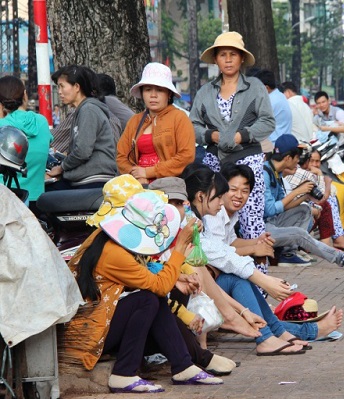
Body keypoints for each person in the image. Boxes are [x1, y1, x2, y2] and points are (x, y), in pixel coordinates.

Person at [63, 191, 223, 393]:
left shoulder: (107, 239)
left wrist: (178, 277)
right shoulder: (114, 253)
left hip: (101, 323)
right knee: (147, 300)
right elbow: (160, 286)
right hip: (91, 334)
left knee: (151, 300)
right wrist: (180, 248)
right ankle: (124, 373)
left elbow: (150, 277)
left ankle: (183, 366)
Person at [182, 165, 328, 355]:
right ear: (201, 196)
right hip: (191, 292)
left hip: (206, 288)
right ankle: (274, 336)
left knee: (242, 285)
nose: (225, 199)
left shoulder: (200, 217)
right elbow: (220, 254)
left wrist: (256, 253)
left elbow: (224, 250)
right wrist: (262, 278)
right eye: (221, 194)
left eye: (245, 190)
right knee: (238, 280)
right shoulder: (194, 220)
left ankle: (275, 334)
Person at [190, 31, 275, 264]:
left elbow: (267, 121)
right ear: (216, 59)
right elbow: (193, 125)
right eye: (223, 55)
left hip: (248, 158)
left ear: (241, 59)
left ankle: (261, 282)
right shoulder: (205, 91)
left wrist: (241, 136)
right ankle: (219, 272)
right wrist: (212, 135)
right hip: (215, 159)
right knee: (213, 216)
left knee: (251, 219)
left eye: (233, 55)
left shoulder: (255, 87)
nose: (228, 59)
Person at [116, 62, 195, 185]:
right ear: (142, 93)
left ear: (168, 94)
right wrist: (136, 175)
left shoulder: (179, 118)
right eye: (148, 90)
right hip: (137, 185)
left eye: (159, 90)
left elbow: (186, 156)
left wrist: (149, 172)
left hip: (170, 185)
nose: (153, 95)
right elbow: (121, 156)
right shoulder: (134, 121)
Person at [46, 65, 117, 190]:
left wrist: (61, 167)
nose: (60, 92)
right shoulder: (82, 110)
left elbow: (82, 152)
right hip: (85, 176)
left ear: (77, 87)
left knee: (44, 196)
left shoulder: (89, 110)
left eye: (62, 86)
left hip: (93, 178)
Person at [263, 135, 317, 267]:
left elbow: (283, 204)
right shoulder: (265, 173)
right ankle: (339, 257)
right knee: (299, 231)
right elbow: (270, 210)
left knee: (304, 210)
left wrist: (305, 196)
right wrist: (296, 192)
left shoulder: (277, 173)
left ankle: (288, 252)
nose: (298, 162)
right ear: (287, 158)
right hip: (263, 228)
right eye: (297, 157)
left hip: (273, 221)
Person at [0, 76, 52, 209]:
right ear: (24, 95)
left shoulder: (2, 127)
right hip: (37, 201)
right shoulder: (42, 122)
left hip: (6, 202)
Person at [252, 69, 292, 144]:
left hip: (272, 146)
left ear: (266, 88)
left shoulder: (269, 102)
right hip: (280, 142)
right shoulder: (280, 96)